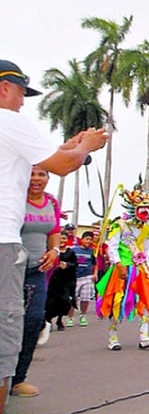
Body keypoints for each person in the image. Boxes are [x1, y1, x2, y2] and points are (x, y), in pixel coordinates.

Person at [0, 59, 107, 414]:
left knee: (26, 321)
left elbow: (47, 157)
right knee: (5, 331)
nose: (22, 102)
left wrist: (74, 145)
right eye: (19, 93)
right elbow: (59, 165)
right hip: (3, 245)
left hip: (25, 258)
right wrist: (87, 146)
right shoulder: (7, 119)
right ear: (3, 88)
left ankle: (18, 379)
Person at [95, 181, 149, 351]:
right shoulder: (120, 225)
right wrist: (118, 264)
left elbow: (146, 250)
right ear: (134, 208)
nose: (145, 211)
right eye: (142, 208)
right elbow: (112, 246)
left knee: (145, 299)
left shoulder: (147, 229)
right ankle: (113, 338)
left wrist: (147, 268)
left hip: (139, 269)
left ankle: (144, 337)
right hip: (122, 268)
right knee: (116, 302)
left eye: (148, 208)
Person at [12, 166, 61, 397]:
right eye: (31, 173)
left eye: (42, 174)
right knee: (7, 323)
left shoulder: (51, 202)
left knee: (33, 322)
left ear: (48, 178)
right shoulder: (13, 197)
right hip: (9, 271)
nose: (36, 178)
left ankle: (17, 379)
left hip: (36, 272)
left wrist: (55, 251)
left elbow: (54, 230)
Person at [43, 236, 77, 333]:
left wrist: (67, 265)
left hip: (65, 281)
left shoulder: (70, 252)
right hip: (52, 281)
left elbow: (75, 264)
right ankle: (48, 321)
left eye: (64, 238)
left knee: (64, 300)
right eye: (60, 238)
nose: (62, 241)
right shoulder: (51, 251)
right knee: (50, 302)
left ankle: (59, 320)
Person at [68, 231, 96, 328]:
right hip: (74, 277)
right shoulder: (73, 250)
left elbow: (95, 264)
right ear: (82, 239)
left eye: (90, 240)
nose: (88, 241)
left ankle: (83, 315)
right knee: (72, 298)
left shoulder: (92, 251)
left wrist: (95, 274)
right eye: (86, 239)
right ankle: (70, 317)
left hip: (87, 277)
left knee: (85, 298)